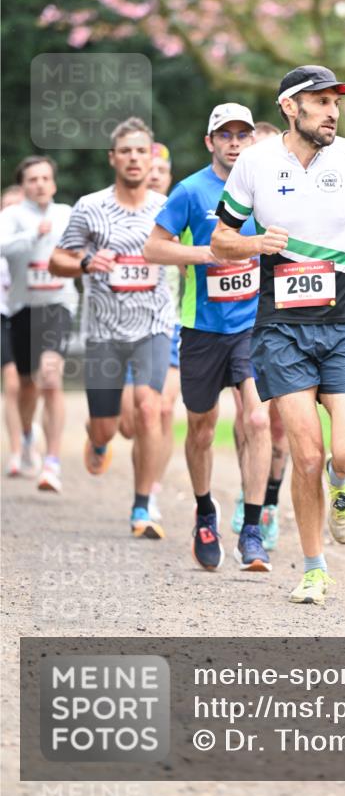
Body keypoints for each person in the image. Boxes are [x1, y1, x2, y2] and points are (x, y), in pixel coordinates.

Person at [212, 64, 345, 604]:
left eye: (336, 103)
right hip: (281, 328)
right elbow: (222, 239)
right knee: (306, 455)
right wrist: (256, 245)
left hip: (341, 323)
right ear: (290, 107)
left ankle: (344, 486)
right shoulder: (255, 163)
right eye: (319, 102)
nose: (332, 111)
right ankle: (314, 568)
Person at [143, 103, 272, 572]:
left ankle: (253, 528)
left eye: (242, 134)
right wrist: (206, 254)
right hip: (202, 329)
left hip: (254, 326)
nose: (234, 142)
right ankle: (204, 511)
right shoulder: (190, 190)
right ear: (210, 142)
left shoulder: (268, 189)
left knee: (257, 422)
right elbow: (153, 247)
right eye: (225, 135)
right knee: (201, 427)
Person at [48, 118, 174, 538]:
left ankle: (142, 508)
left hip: (153, 326)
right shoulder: (90, 206)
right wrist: (85, 262)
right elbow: (56, 260)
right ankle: (97, 439)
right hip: (103, 332)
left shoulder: (167, 208)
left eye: (142, 151)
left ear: (150, 156)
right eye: (126, 151)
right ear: (113, 158)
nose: (134, 158)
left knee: (149, 409)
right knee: (107, 425)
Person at [0, 159, 79, 493]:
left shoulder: (67, 213)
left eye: (46, 178)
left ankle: (52, 461)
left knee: (50, 376)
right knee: (28, 385)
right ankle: (28, 435)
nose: (40, 184)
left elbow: (85, 247)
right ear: (24, 185)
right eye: (33, 179)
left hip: (58, 305)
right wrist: (34, 234)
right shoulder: (12, 217)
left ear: (54, 184)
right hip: (22, 309)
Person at [229, 118, 290, 550]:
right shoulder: (237, 201)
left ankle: (270, 503)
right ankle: (249, 493)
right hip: (243, 325)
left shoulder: (298, 200)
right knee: (252, 417)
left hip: (289, 321)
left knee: (282, 428)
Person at [119, 142, 181, 522]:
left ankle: (149, 493)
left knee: (161, 408)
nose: (155, 174)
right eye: (150, 168)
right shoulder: (124, 213)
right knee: (129, 424)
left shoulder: (182, 211)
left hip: (172, 325)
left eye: (162, 169)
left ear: (169, 176)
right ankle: (140, 478)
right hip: (127, 327)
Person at [1, 184, 26, 477]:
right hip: (2, 314)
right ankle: (17, 451)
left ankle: (28, 435)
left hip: (26, 314)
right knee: (11, 382)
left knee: (28, 383)